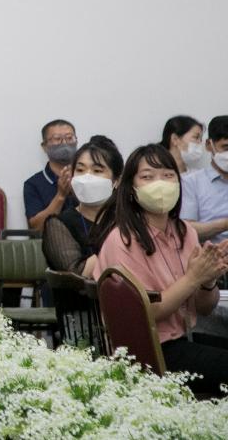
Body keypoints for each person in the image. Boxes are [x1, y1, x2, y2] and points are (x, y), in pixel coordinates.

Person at [95, 144, 228, 398]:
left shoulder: (184, 231)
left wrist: (208, 280)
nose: (160, 183)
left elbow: (204, 307)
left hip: (185, 340)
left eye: (168, 175)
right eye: (148, 177)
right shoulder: (122, 239)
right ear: (132, 190)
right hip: (149, 355)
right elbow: (147, 311)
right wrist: (193, 278)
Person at [43, 136, 123, 275]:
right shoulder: (60, 224)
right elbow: (76, 275)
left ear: (116, 180)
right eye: (80, 170)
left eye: (97, 171)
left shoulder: (127, 219)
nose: (87, 177)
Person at [22, 119, 78, 232]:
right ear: (44, 146)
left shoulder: (88, 177)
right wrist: (61, 195)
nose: (64, 143)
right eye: (57, 139)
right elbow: (37, 229)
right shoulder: (33, 184)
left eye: (69, 137)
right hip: (52, 245)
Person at [182, 115, 228, 242]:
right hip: (212, 256)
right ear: (209, 145)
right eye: (226, 147)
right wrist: (224, 225)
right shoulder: (191, 182)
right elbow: (187, 230)